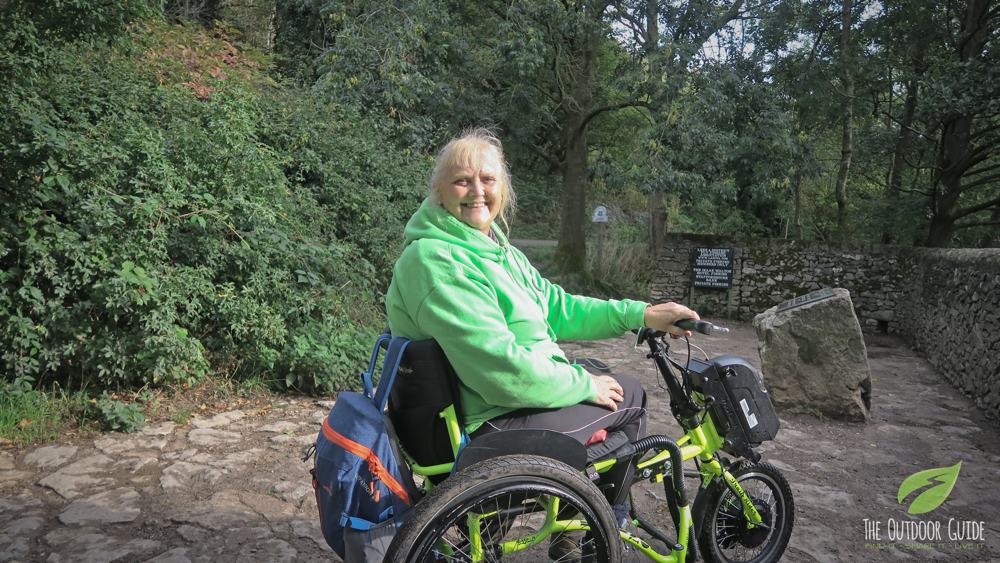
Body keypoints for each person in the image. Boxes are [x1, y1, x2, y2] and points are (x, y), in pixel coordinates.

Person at [384, 128, 699, 534]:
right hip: (486, 427)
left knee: (598, 371)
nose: (477, 191)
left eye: (488, 179)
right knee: (630, 395)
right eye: (462, 181)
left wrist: (642, 314)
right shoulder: (438, 261)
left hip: (491, 408)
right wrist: (582, 385)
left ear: (503, 188)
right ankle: (600, 528)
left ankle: (570, 517)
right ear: (438, 192)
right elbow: (500, 371)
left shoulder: (492, 249)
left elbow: (556, 307)